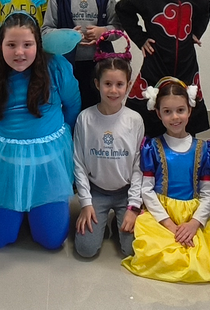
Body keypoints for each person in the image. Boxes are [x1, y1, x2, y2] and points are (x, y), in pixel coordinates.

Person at [0, 13, 81, 250]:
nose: (19, 52)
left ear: (38, 45)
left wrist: (58, 139)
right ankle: (18, 210)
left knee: (52, 240)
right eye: (11, 45)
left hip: (47, 164)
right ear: (0, 45)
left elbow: (73, 105)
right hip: (6, 164)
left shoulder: (57, 68)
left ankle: (34, 208)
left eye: (27, 45)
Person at [121, 78, 210, 284]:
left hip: (191, 215)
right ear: (158, 113)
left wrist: (194, 223)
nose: (175, 117)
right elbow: (147, 191)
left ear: (189, 110)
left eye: (180, 110)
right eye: (167, 112)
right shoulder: (152, 147)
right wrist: (168, 223)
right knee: (155, 251)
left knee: (205, 257)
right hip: (159, 213)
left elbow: (208, 194)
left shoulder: (204, 150)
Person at [117, 0, 210, 138]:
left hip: (186, 62)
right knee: (148, 114)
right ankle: (148, 151)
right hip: (156, 60)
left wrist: (196, 32)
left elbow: (205, 10)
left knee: (186, 109)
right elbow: (123, 9)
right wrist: (140, 38)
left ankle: (184, 149)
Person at [72, 33, 141, 259]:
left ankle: (117, 221)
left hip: (125, 192)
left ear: (128, 85)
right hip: (97, 192)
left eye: (119, 85)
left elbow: (139, 166)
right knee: (85, 249)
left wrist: (134, 206)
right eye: (107, 84)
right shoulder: (85, 118)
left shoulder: (135, 120)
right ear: (97, 84)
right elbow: (78, 163)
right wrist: (86, 203)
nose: (113, 90)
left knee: (132, 250)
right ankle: (101, 221)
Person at [43, 0, 120, 109]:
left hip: (101, 65)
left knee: (100, 107)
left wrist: (102, 32)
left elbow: (118, 27)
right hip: (68, 67)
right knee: (73, 108)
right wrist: (67, 36)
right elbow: (45, 32)